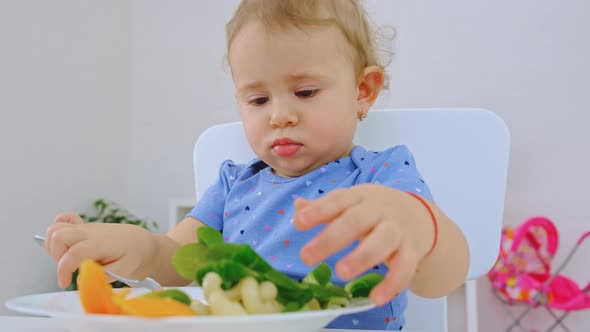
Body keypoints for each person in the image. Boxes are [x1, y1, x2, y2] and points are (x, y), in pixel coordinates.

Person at [44, 0, 469, 330]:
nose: (278, 115)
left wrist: (419, 226)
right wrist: (130, 247)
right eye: (258, 100)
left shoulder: (381, 176)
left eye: (304, 91)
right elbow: (175, 259)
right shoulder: (234, 184)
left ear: (363, 90)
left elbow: (443, 279)